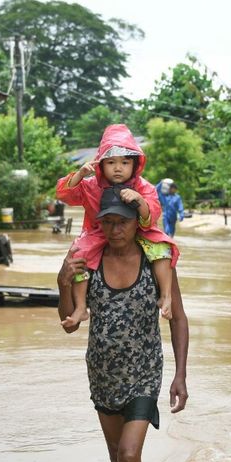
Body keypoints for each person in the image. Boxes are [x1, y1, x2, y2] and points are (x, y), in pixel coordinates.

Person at [58, 187, 189, 462]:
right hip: (102, 373)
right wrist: (62, 283)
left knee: (130, 453)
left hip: (144, 372)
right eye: (108, 222)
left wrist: (180, 376)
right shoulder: (89, 261)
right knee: (118, 458)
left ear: (137, 224)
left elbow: (178, 317)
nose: (115, 230)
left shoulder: (155, 262)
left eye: (123, 223)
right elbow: (70, 324)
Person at [56, 124, 179, 327]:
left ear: (135, 164)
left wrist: (139, 200)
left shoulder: (143, 187)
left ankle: (166, 296)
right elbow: (65, 195)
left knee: (162, 247)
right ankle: (80, 307)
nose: (118, 167)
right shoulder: (90, 185)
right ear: (101, 165)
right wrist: (79, 175)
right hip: (97, 232)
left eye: (125, 162)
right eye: (111, 162)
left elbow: (153, 213)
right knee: (79, 253)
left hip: (138, 231)